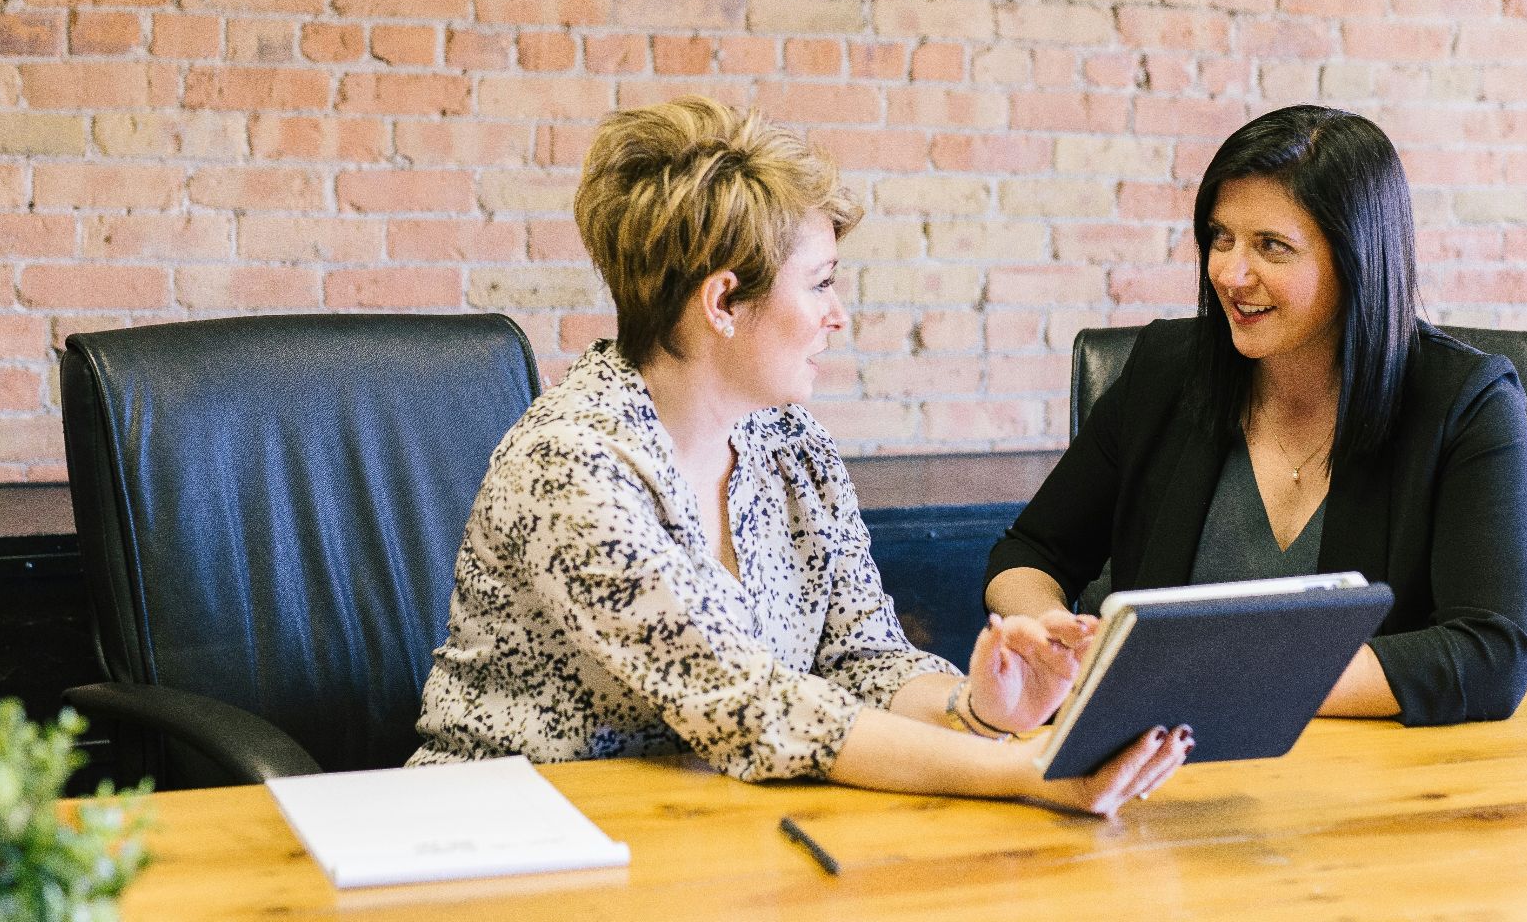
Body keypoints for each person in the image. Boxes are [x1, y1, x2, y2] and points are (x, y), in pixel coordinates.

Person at [410, 96, 1187, 814]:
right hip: (507, 836)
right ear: (722, 302)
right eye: (819, 284)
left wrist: (979, 708)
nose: (838, 316)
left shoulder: (789, 443)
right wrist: (1025, 770)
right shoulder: (572, 465)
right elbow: (752, 705)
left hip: (708, 828)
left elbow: (863, 659)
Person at [984, 105, 1527, 726]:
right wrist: (1048, 633)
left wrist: (1212, 680)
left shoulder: (1467, 403)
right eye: (1221, 238)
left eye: (1271, 247)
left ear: (1356, 258)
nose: (1230, 273)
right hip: (1160, 769)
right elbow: (1029, 552)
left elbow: (1492, 652)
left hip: (1375, 777)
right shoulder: (1167, 371)